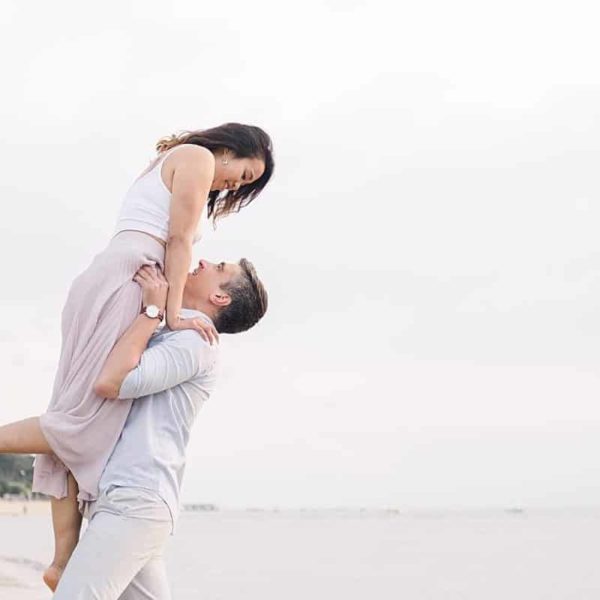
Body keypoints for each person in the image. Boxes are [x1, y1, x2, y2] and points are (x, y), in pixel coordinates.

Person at [0, 123, 274, 591]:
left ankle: (62, 561)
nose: (234, 186)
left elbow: (178, 245)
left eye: (244, 185)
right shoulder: (198, 159)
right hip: (125, 280)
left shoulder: (192, 340)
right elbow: (179, 242)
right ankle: (62, 564)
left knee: (77, 417)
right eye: (243, 174)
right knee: (79, 420)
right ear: (229, 149)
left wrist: (164, 313)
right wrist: (167, 311)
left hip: (114, 279)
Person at [52, 257, 268, 598]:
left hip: (135, 498)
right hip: (135, 498)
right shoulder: (179, 331)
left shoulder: (195, 342)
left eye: (219, 267)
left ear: (220, 297)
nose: (204, 261)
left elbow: (110, 382)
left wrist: (152, 312)